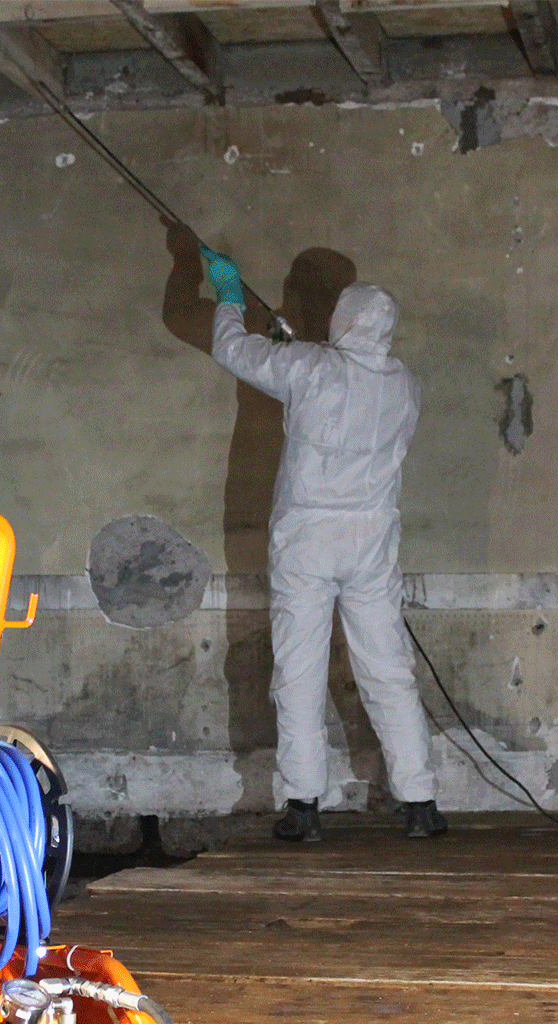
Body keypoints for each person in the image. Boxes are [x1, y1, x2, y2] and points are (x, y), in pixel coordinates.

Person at [200, 246, 446, 843]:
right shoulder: (405, 384)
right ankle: (421, 803)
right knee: (388, 670)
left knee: (300, 670)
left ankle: (304, 807)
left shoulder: (308, 368)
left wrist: (230, 298)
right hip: (370, 540)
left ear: (345, 321)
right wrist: (298, 352)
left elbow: (232, 351)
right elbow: (345, 389)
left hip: (308, 538)